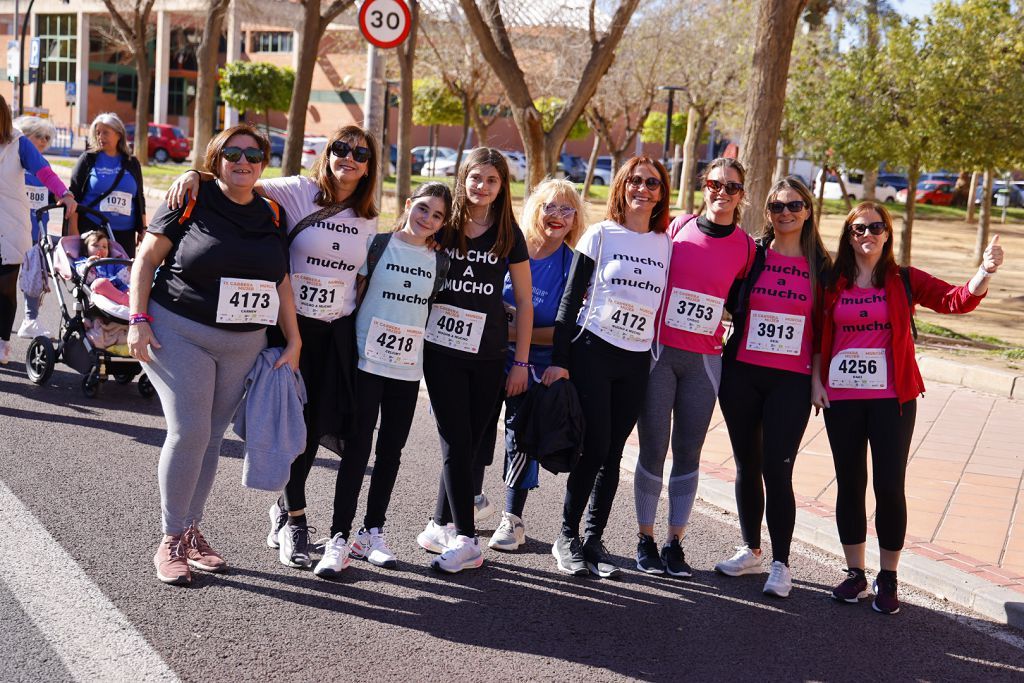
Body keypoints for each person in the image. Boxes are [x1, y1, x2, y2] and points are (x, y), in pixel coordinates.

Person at [167, 125, 380, 571]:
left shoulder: (368, 216)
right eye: (340, 148)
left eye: (360, 153)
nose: (349, 158)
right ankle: (294, 519)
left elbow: (357, 277)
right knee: (290, 425)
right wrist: (195, 174)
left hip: (334, 334)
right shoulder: (299, 190)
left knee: (317, 426)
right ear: (327, 154)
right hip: (289, 328)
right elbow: (239, 178)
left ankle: (285, 509)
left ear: (369, 165)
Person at [127, 123, 301, 586]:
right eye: (232, 153)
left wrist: (294, 338)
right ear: (215, 159)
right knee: (190, 430)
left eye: (253, 154)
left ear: (263, 163)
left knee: (212, 437)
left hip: (243, 343)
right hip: (179, 331)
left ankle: (189, 530)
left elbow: (280, 281)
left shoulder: (272, 213)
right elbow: (145, 260)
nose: (242, 161)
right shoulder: (190, 198)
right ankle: (169, 538)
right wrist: (137, 319)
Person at [815, 201, 1004, 615]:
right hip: (842, 400)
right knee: (849, 484)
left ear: (888, 234)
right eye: (859, 228)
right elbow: (816, 333)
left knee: (888, 485)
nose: (868, 235)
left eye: (876, 227)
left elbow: (956, 300)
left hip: (891, 401)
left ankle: (888, 576)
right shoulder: (832, 281)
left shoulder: (903, 280)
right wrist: (816, 380)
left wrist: (984, 272)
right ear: (849, 236)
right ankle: (855, 573)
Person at [313, 182, 452, 578]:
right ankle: (338, 537)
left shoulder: (439, 261)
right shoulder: (377, 245)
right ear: (409, 205)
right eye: (423, 208)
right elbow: (353, 295)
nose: (427, 219)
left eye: (437, 216)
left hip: (407, 370)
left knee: (391, 452)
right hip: (366, 362)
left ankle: (371, 532)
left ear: (443, 224)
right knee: (358, 450)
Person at [544, 157, 672, 578]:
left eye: (652, 183)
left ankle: (594, 538)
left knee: (614, 454)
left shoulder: (663, 243)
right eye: (635, 181)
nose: (643, 188)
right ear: (622, 186)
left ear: (661, 192)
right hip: (592, 351)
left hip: (635, 360)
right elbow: (569, 301)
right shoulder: (600, 235)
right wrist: (560, 361)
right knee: (595, 447)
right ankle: (566, 536)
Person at [632, 158, 754, 578]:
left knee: (688, 452)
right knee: (652, 447)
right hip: (660, 355)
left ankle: (674, 543)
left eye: (732, 187)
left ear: (742, 194)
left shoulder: (747, 247)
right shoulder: (677, 227)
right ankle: (645, 538)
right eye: (716, 184)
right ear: (704, 187)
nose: (723, 192)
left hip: (704, 362)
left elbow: (744, 305)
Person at [416, 147, 533, 574]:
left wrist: (520, 362)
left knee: (472, 446)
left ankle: (437, 524)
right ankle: (468, 539)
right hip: (442, 350)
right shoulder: (443, 226)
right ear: (462, 179)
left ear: (503, 186)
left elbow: (523, 299)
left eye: (492, 180)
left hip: (489, 353)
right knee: (455, 440)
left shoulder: (509, 234)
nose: (481, 186)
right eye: (475, 178)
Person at [714, 177, 831, 597]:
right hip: (742, 373)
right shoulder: (752, 256)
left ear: (808, 210)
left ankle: (781, 564)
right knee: (746, 464)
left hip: (792, 380)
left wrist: (818, 380)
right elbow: (719, 294)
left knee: (777, 470)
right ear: (767, 213)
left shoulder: (822, 267)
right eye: (778, 207)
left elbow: (824, 331)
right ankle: (751, 549)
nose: (786, 213)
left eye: (794, 206)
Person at [471, 178, 584, 552]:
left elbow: (566, 331)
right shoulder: (508, 246)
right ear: (534, 207)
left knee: (519, 441)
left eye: (566, 210)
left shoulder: (572, 265)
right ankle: (470, 499)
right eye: (549, 206)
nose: (556, 216)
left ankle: (512, 518)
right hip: (487, 358)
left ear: (574, 220)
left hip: (533, 368)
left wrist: (517, 331)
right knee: (474, 433)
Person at [0, 97, 76, 365]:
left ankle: (2, 342)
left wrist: (64, 194)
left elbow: (44, 171)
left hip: (11, 226)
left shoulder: (18, 143)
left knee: (6, 288)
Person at [14, 115, 65, 340]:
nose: (44, 141)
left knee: (33, 280)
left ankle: (30, 321)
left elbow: (51, 196)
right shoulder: (13, 165)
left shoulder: (44, 168)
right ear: (24, 137)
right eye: (39, 136)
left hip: (36, 235)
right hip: (10, 233)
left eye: (47, 137)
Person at [68, 113, 145, 257]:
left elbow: (139, 197)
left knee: (122, 277)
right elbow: (73, 195)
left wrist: (143, 229)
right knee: (95, 276)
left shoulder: (132, 162)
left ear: (119, 134)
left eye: (105, 133)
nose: (100, 137)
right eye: (97, 133)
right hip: (94, 231)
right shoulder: (88, 159)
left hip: (125, 234)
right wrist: (73, 230)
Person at [74, 231, 131, 306]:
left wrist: (129, 269)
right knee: (99, 283)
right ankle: (125, 301)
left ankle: (131, 301)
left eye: (104, 247)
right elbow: (85, 276)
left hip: (117, 290)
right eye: (96, 245)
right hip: (99, 291)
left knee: (132, 285)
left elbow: (121, 279)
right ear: (86, 250)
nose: (100, 249)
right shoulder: (83, 260)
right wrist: (89, 265)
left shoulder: (112, 262)